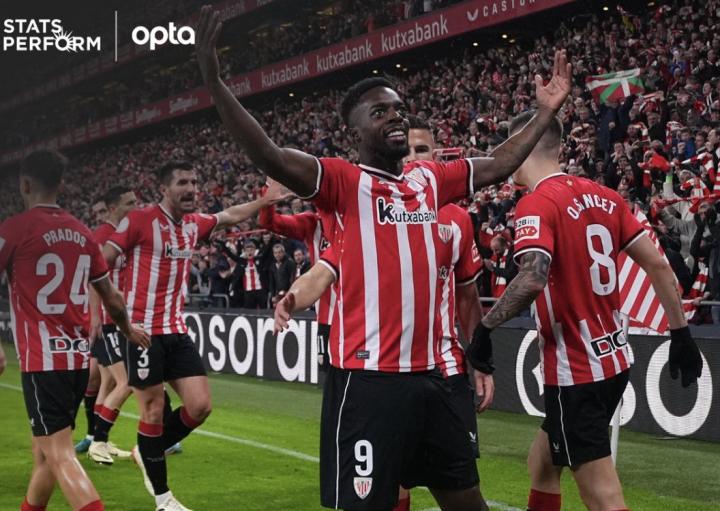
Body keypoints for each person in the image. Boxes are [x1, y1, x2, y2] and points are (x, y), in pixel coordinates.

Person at [197, 8, 571, 508]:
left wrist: (544, 112)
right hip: (370, 381)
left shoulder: (430, 180)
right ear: (354, 132)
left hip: (439, 377)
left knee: (468, 503)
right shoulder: (343, 182)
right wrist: (215, 82)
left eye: (399, 109)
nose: (396, 117)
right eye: (380, 113)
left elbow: (501, 163)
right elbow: (268, 154)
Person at [466, 111, 704, 511]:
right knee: (542, 463)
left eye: (510, 146)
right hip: (614, 359)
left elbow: (532, 278)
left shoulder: (536, 204)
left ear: (523, 146)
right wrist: (681, 334)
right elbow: (658, 266)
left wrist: (485, 330)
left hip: (575, 369)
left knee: (603, 496)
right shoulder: (605, 196)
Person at [102, 160, 272, 511]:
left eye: (194, 182)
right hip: (142, 332)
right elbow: (99, 263)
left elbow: (229, 215)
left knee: (200, 406)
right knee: (153, 410)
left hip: (176, 330)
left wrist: (264, 201)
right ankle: (163, 499)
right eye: (182, 182)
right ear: (164, 188)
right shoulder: (139, 220)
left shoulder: (194, 224)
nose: (191, 188)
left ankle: (147, 450)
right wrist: (122, 323)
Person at [0, 150, 150, 511]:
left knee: (60, 455)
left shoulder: (14, 229)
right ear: (62, 185)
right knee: (46, 456)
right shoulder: (83, 233)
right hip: (77, 362)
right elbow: (112, 297)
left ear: (24, 184)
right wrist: (128, 329)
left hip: (42, 362)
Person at [86, 186, 137, 464]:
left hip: (117, 319)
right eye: (130, 203)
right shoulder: (103, 236)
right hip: (109, 321)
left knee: (107, 382)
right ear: (114, 207)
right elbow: (94, 280)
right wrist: (95, 317)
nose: (135, 207)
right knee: (127, 382)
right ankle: (99, 441)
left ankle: (99, 441)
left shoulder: (122, 234)